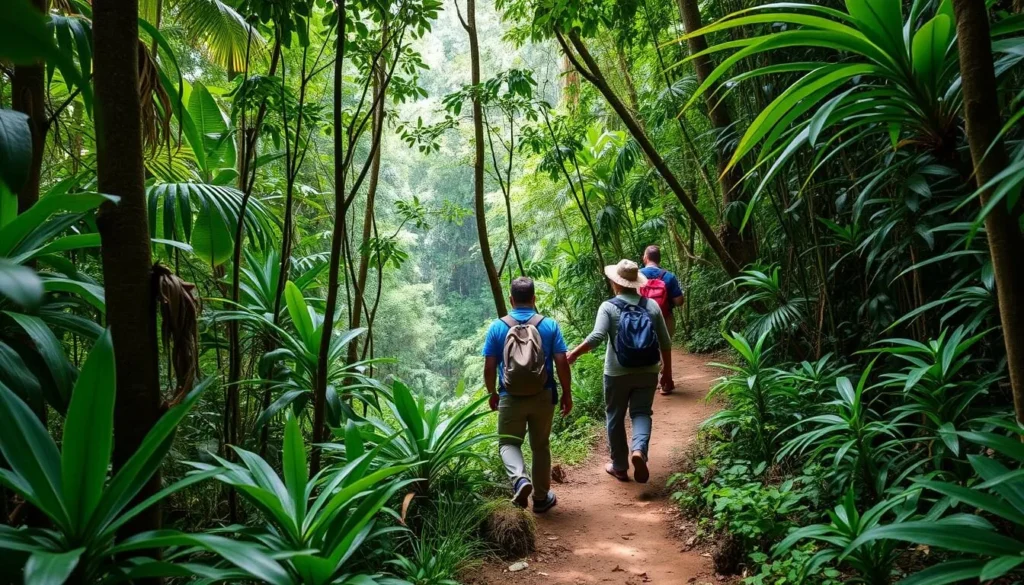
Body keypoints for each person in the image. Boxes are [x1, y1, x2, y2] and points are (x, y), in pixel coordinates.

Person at [567, 260, 671, 484]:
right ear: (635, 283)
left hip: (616, 372)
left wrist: (573, 354)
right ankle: (639, 451)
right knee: (641, 412)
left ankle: (620, 467)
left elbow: (596, 337)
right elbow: (665, 342)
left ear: (616, 282)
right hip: (648, 370)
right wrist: (667, 373)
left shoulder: (609, 306)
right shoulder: (651, 305)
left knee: (615, 416)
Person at [483, 276, 572, 513]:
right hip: (543, 394)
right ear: (534, 299)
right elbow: (562, 362)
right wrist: (567, 393)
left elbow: (489, 367)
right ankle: (541, 499)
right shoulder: (549, 325)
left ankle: (520, 480)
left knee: (508, 443)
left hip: (510, 396)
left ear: (511, 299)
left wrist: (492, 393)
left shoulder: (497, 327)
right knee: (540, 446)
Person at [639, 245, 684, 394]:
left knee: (646, 349)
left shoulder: (637, 275)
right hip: (665, 317)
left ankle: (647, 383)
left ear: (645, 258)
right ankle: (666, 382)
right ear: (659, 259)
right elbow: (679, 301)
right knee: (664, 347)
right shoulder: (668, 276)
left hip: (641, 320)